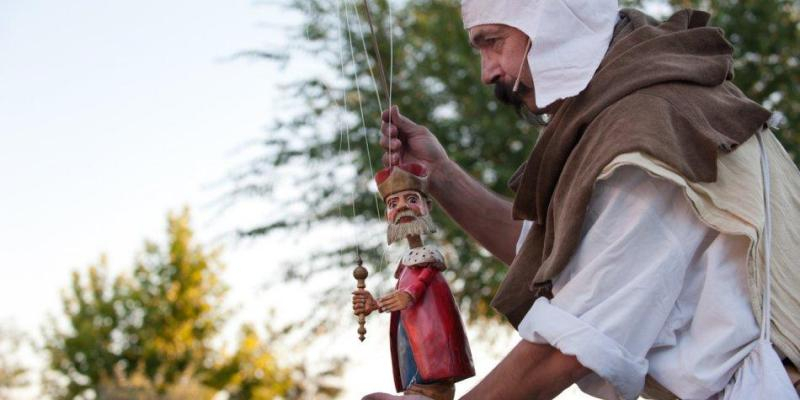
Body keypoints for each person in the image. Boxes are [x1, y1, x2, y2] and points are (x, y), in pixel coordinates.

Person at [378, 1, 800, 399]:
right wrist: (441, 177)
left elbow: (568, 347)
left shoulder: (653, 130)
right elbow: (562, 261)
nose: (488, 72)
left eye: (493, 42)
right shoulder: (659, 106)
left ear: (552, 20)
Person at [352, 164, 475, 400]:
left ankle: (436, 388)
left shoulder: (428, 258)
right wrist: (375, 305)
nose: (402, 208)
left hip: (431, 329)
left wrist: (409, 295)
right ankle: (418, 386)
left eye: (410, 199)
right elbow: (402, 295)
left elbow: (422, 281)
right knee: (411, 347)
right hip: (412, 327)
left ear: (426, 205)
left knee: (430, 352)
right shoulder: (407, 263)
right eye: (392, 204)